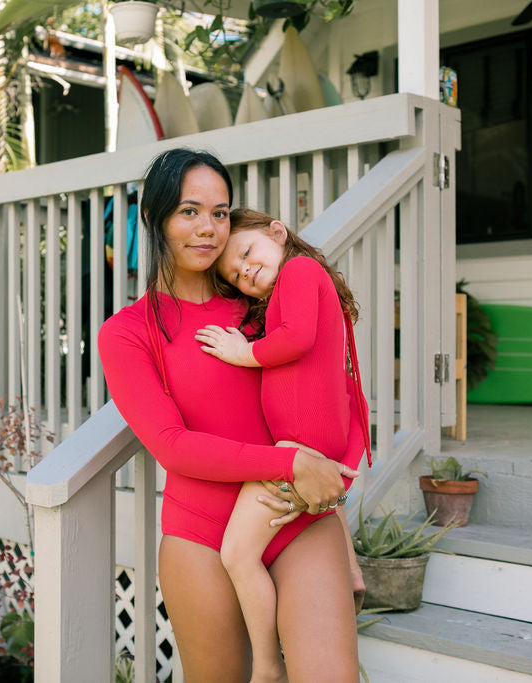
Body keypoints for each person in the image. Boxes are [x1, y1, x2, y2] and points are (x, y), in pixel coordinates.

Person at [98, 148, 361, 682]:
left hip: (296, 517)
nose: (208, 229)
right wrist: (290, 465)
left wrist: (340, 471)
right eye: (189, 211)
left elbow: (336, 383)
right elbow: (171, 444)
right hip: (201, 533)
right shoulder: (127, 331)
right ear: (155, 218)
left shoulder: (262, 295)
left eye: (220, 213)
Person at [195, 208, 372, 682]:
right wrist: (347, 460)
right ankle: (348, 570)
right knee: (277, 532)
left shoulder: (298, 269)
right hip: (312, 447)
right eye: (235, 275)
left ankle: (268, 666)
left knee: (237, 554)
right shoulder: (300, 289)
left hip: (298, 448)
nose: (245, 271)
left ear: (278, 231)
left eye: (247, 252)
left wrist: (242, 352)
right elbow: (345, 380)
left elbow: (296, 341)